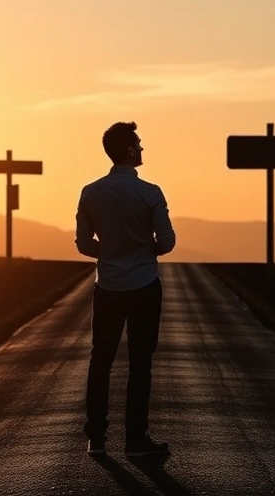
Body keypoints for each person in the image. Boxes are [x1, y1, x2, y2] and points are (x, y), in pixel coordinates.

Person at [75, 121, 176, 457]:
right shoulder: (151, 193)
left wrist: (110, 250)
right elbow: (167, 242)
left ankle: (97, 438)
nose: (143, 149)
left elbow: (83, 244)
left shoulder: (91, 193)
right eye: (139, 143)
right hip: (144, 285)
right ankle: (135, 440)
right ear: (130, 150)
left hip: (108, 287)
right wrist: (144, 248)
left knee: (100, 360)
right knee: (140, 363)